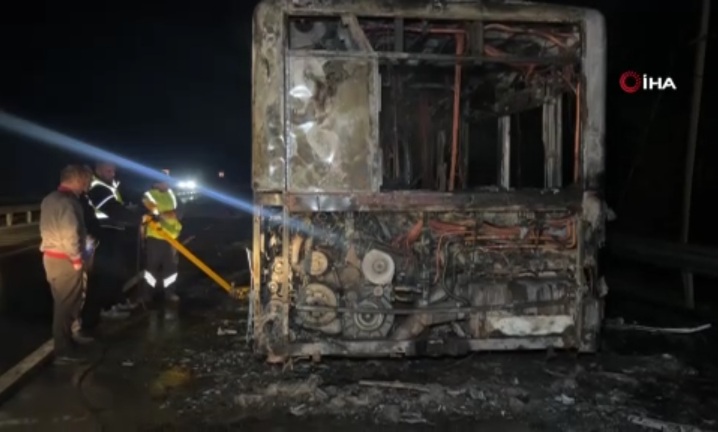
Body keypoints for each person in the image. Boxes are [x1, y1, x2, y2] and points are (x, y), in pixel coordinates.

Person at [40, 165, 96, 364]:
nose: (86, 185)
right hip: (65, 260)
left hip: (52, 257)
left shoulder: (50, 198)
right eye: (85, 180)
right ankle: (63, 351)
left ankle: (69, 339)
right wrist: (77, 260)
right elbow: (70, 233)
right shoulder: (68, 202)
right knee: (66, 305)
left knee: (63, 302)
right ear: (77, 180)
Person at [83, 162, 138, 331]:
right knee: (105, 275)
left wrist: (131, 211)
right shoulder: (97, 187)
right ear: (98, 170)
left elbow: (119, 207)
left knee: (116, 271)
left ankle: (116, 302)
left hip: (113, 234)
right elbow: (114, 210)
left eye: (114, 170)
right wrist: (138, 218)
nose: (112, 173)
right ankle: (105, 309)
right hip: (104, 235)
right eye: (108, 170)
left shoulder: (110, 186)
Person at [141, 180, 182, 305]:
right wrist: (166, 214)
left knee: (171, 267)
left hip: (172, 236)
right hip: (156, 236)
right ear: (155, 184)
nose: (167, 184)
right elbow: (151, 213)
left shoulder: (172, 194)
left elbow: (180, 211)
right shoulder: (149, 195)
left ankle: (170, 293)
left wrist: (168, 214)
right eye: (163, 182)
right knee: (152, 268)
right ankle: (147, 295)